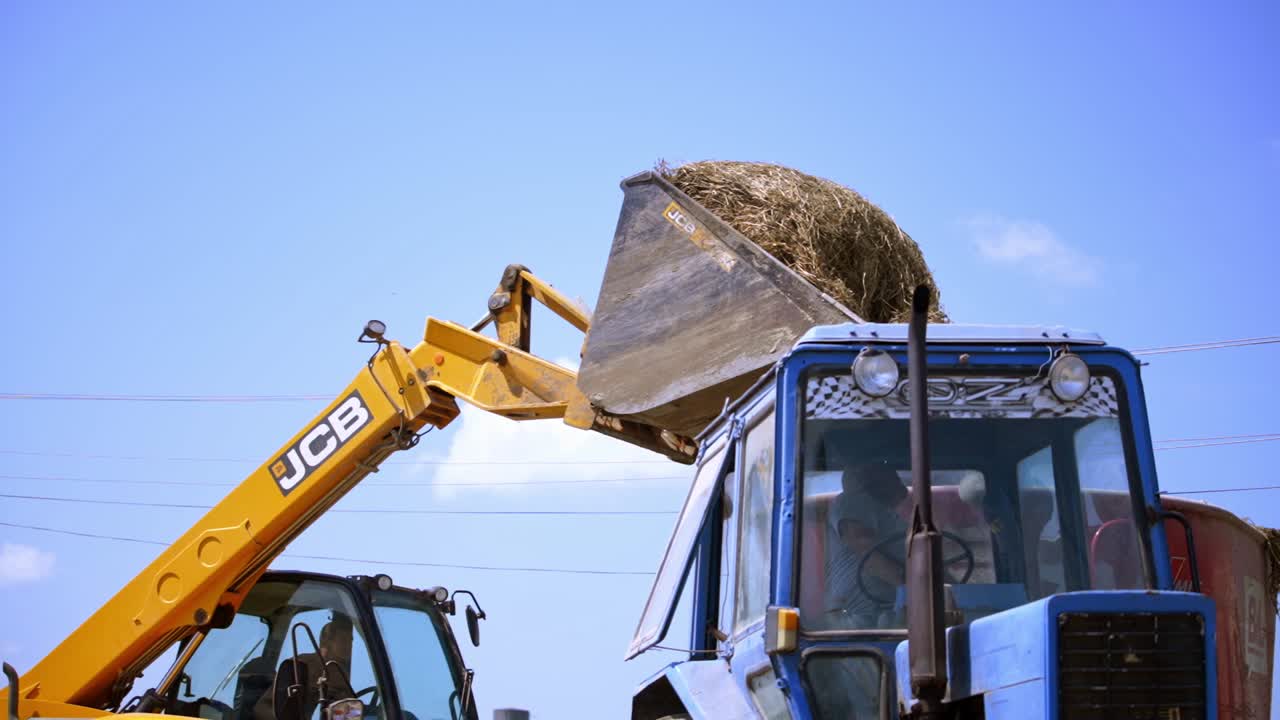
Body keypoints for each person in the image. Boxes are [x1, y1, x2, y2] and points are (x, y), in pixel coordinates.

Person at [824, 462, 910, 625]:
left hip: (885, 610)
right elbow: (869, 557)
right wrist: (919, 586)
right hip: (861, 617)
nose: (895, 478)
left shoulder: (885, 514)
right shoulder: (853, 502)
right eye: (887, 473)